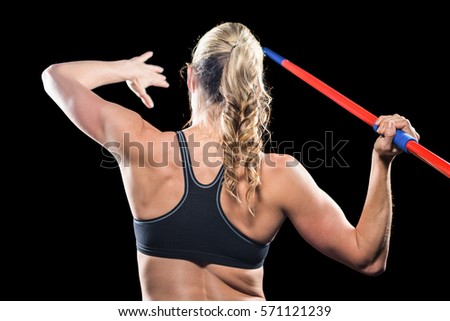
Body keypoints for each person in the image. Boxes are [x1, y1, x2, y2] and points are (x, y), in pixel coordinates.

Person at [41, 21, 419, 301]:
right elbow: (367, 258)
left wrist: (125, 68)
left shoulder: (141, 145)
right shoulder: (281, 175)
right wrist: (381, 160)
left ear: (190, 78)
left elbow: (56, 76)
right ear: (256, 89)